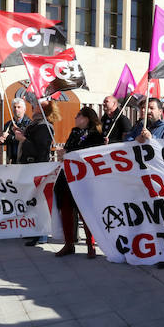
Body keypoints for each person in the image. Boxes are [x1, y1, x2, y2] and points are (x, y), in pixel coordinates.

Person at [53, 106, 106, 258]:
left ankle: (91, 245)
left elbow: (87, 154)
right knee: (66, 210)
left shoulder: (96, 135)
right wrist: (63, 153)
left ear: (86, 118)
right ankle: (69, 243)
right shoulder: (74, 132)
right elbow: (70, 149)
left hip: (84, 179)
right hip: (67, 177)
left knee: (85, 212)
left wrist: (68, 153)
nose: (75, 118)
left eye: (78, 115)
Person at [15, 100, 58, 247]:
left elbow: (41, 150)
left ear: (42, 110)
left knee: (38, 201)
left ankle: (41, 234)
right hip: (30, 167)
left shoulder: (44, 126)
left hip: (37, 168)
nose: (33, 106)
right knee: (31, 200)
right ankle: (33, 231)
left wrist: (23, 139)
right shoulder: (35, 124)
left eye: (38, 105)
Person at [0, 97, 31, 164]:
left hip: (25, 159)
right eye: (14, 107)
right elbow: (6, 140)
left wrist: (10, 137)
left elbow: (26, 140)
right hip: (12, 160)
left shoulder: (29, 124)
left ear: (24, 109)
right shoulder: (8, 124)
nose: (16, 109)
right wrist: (1, 141)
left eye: (19, 107)